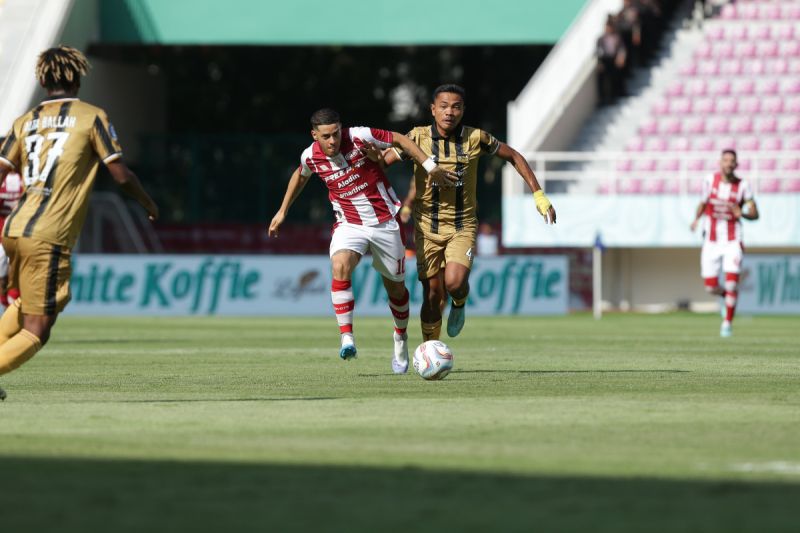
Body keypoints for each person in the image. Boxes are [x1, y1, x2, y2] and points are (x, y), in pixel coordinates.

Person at [0, 46, 159, 401]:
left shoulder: (24, 121)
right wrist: (148, 202)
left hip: (14, 228)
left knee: (25, 306)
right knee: (38, 327)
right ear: (77, 78)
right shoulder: (91, 117)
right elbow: (120, 175)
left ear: (43, 80)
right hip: (49, 232)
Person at [268, 108, 456, 374]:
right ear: (314, 135)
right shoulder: (310, 155)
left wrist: (430, 167)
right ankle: (347, 338)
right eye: (326, 136)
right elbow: (300, 174)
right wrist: (282, 210)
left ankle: (400, 338)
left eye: (336, 134)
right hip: (349, 224)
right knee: (340, 265)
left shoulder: (359, 136)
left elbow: (400, 139)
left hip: (385, 223)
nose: (333, 141)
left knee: (396, 290)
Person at [383, 84, 556, 342]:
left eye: (455, 107)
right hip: (426, 228)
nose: (449, 112)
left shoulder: (476, 138)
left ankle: (460, 301)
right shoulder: (417, 137)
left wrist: (538, 195)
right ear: (433, 109)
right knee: (432, 293)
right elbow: (384, 161)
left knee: (453, 283)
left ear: (463, 110)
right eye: (443, 106)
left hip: (461, 226)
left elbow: (513, 156)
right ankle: (431, 350)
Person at [690, 149, 759, 338]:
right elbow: (703, 203)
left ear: (736, 165)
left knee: (731, 284)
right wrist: (696, 219)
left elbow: (755, 214)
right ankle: (724, 297)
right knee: (710, 286)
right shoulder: (709, 181)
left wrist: (742, 213)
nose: (728, 163)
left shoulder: (743, 186)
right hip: (711, 240)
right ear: (720, 163)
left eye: (731, 161)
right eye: (725, 160)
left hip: (732, 240)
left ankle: (727, 324)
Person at [0, 150, 23, 307]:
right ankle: (6, 305)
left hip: (20, 233)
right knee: (3, 278)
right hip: (1, 233)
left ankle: (13, 307)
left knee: (17, 273)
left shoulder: (26, 177)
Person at [596, 19, 627, 105]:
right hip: (604, 60)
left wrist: (621, 57)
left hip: (614, 59)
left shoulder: (617, 37)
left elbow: (622, 48)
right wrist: (600, 62)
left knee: (614, 78)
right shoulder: (601, 39)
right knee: (602, 80)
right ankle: (602, 99)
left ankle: (614, 96)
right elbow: (598, 51)